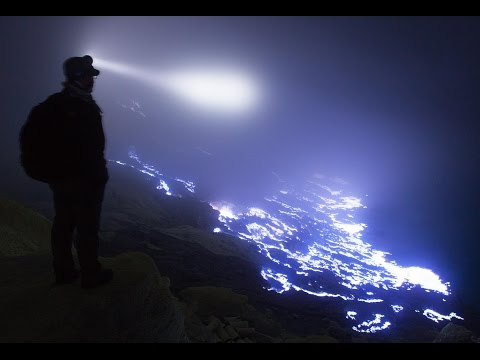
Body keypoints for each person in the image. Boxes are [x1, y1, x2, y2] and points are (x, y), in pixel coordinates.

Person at [24, 55, 113, 288]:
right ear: (76, 78)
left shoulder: (58, 104)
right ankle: (90, 275)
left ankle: (64, 272)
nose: (92, 80)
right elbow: (88, 147)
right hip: (82, 181)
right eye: (87, 76)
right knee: (87, 229)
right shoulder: (76, 107)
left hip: (64, 180)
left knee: (63, 224)